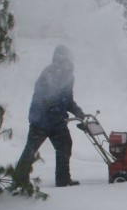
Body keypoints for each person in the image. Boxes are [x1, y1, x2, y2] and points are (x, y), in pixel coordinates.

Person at [13, 44, 86, 188]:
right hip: (41, 120)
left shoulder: (69, 76)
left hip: (57, 122)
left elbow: (68, 100)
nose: (67, 62)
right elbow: (43, 98)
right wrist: (54, 112)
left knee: (65, 146)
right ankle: (19, 180)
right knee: (31, 149)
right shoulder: (49, 73)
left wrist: (78, 112)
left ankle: (63, 180)